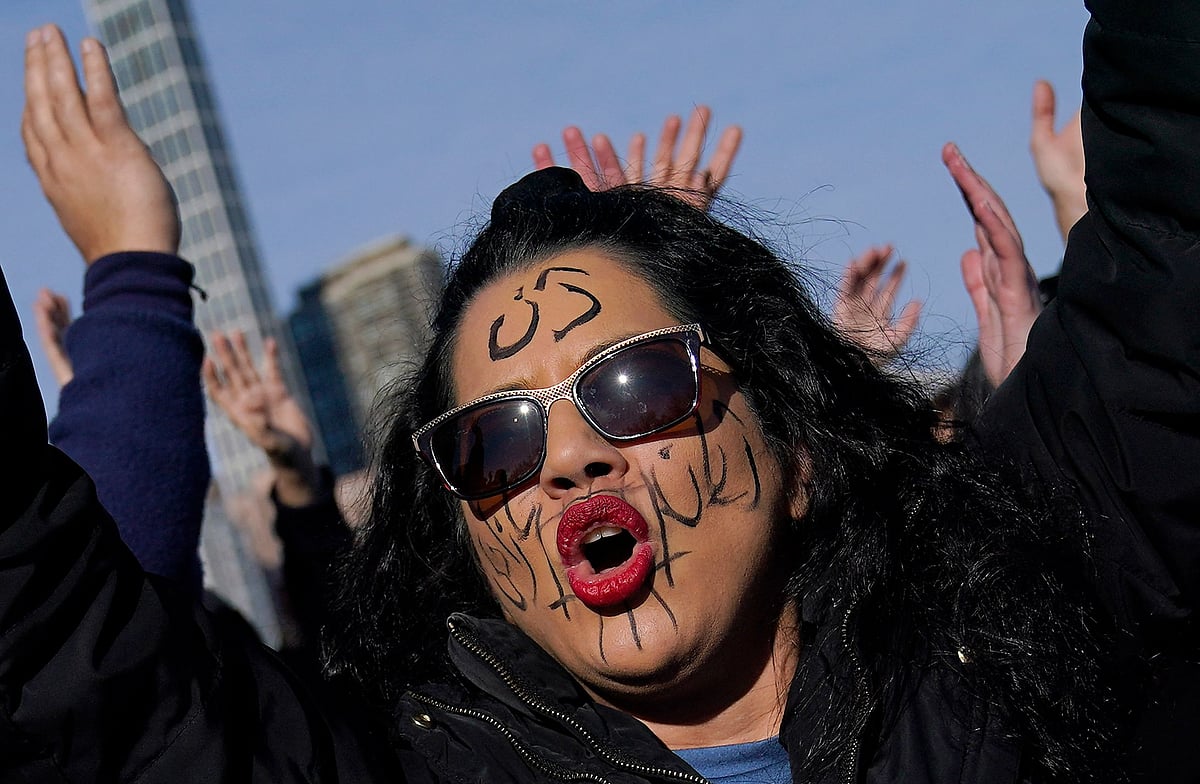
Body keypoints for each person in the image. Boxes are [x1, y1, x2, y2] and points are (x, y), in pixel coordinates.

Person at [3, 4, 1199, 784]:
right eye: (494, 444)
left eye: (631, 382)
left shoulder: (1011, 621)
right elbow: (75, 659)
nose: (567, 461)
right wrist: (134, 278)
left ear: (799, 449)